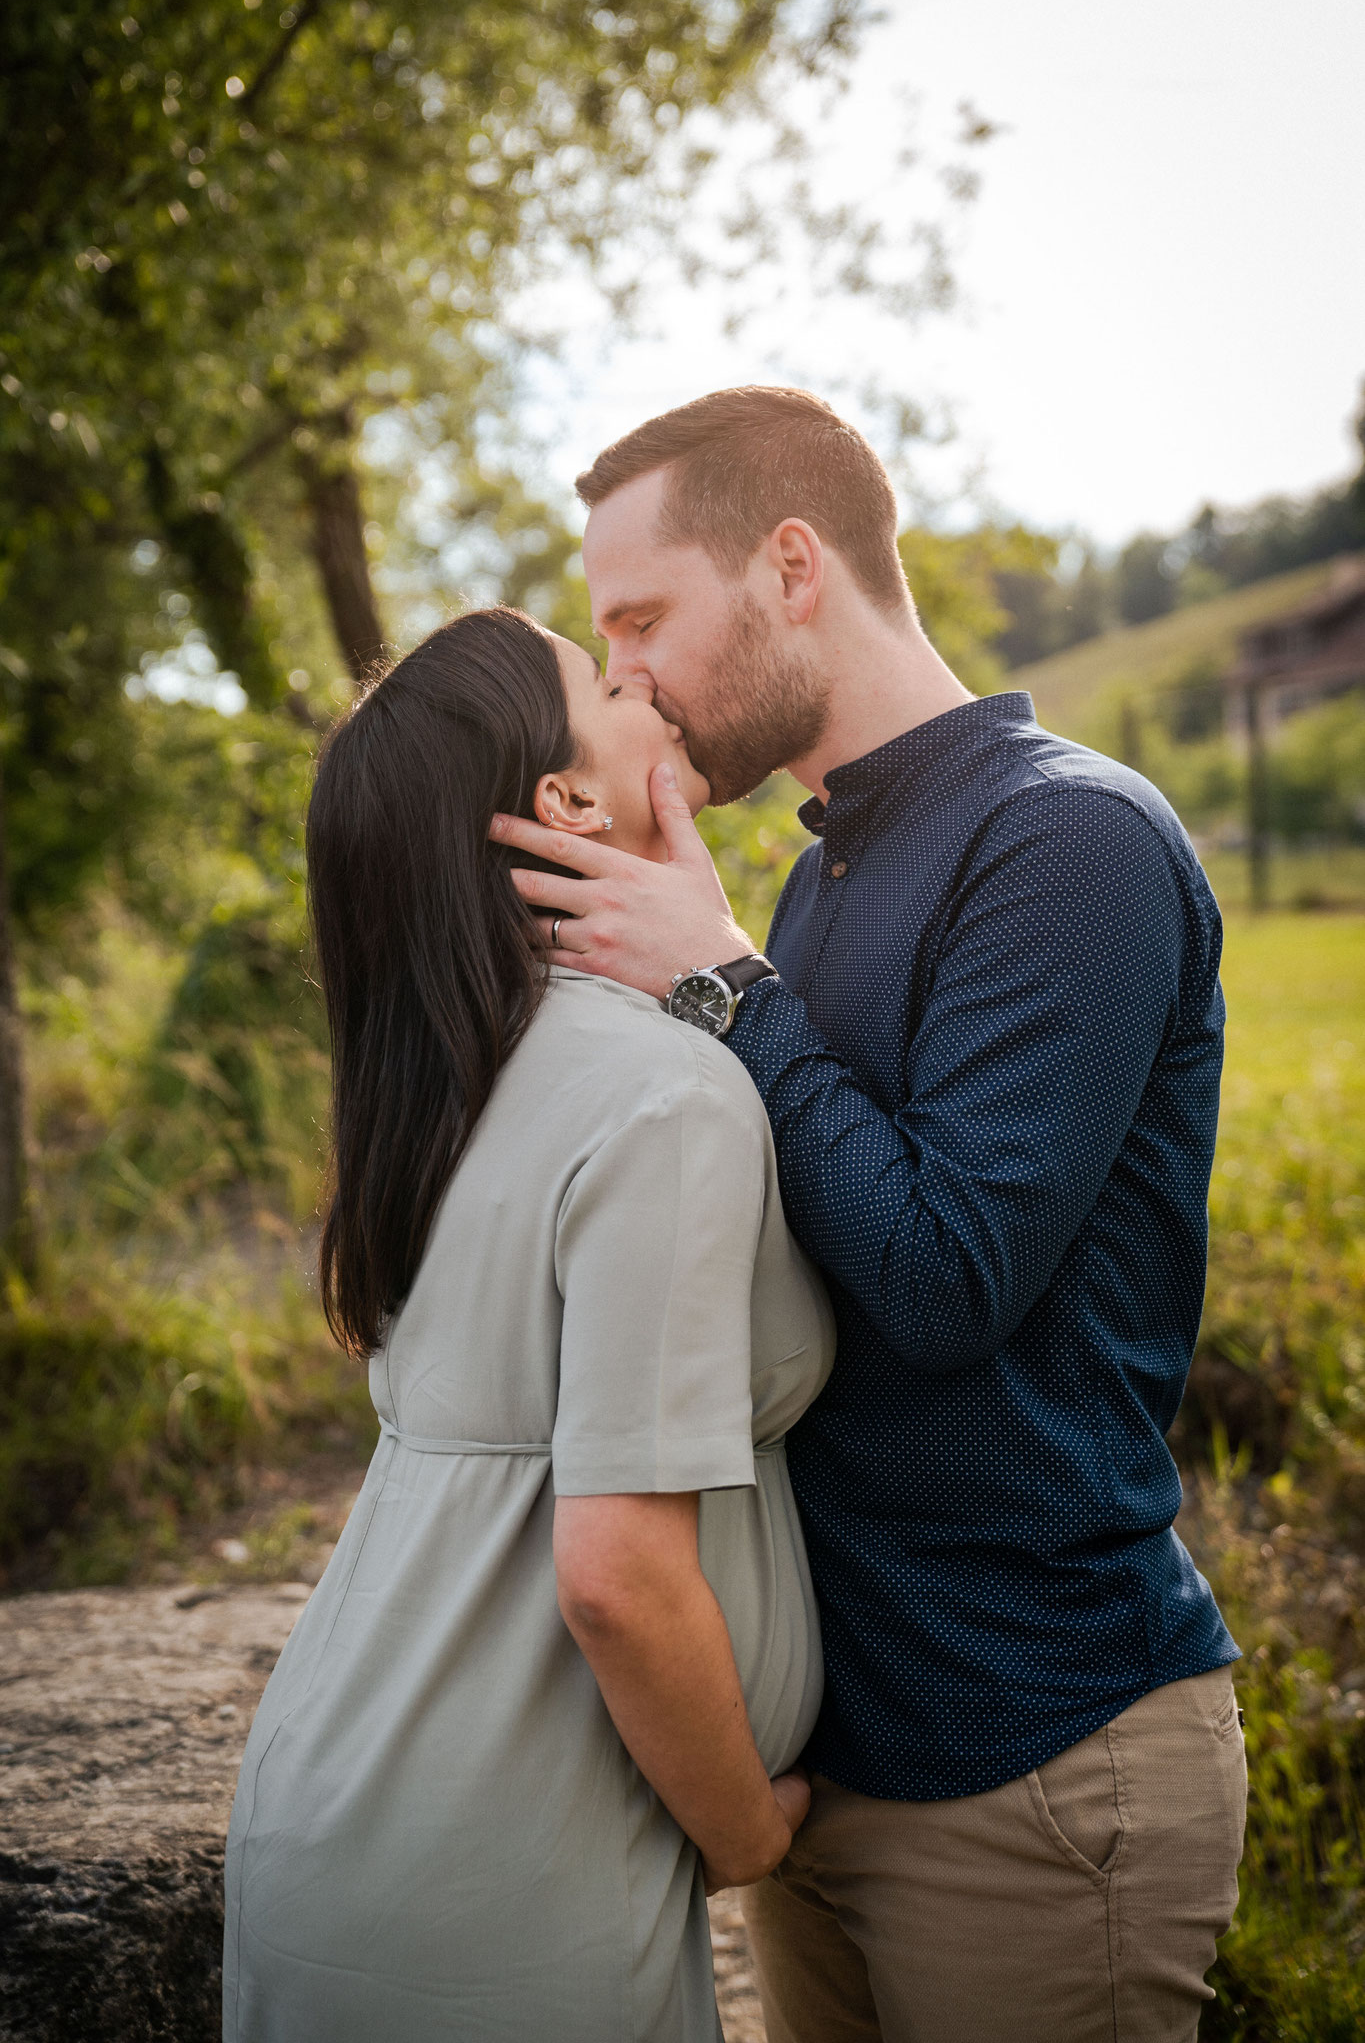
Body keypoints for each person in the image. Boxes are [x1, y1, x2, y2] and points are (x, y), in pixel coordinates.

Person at [491, 386, 1249, 2043]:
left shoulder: (1068, 838)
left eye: (641, 620)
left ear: (786, 565)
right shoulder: (810, 866)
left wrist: (717, 983)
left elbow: (937, 1279)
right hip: (823, 1770)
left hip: (1034, 1769)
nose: (619, 677)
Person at [222, 605, 834, 2043]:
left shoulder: (444, 1073)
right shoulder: (666, 1096)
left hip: (332, 1809)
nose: (646, 688)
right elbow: (616, 1576)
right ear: (562, 802)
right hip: (498, 1881)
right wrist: (743, 1832)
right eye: (605, 682)